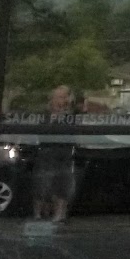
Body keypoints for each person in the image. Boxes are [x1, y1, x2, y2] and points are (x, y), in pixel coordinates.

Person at [28, 84, 80, 231]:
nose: (60, 101)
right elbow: (38, 133)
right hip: (45, 154)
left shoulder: (71, 117)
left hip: (64, 155)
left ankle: (59, 215)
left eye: (63, 98)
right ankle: (38, 215)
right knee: (41, 185)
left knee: (62, 186)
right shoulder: (43, 116)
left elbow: (74, 135)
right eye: (57, 97)